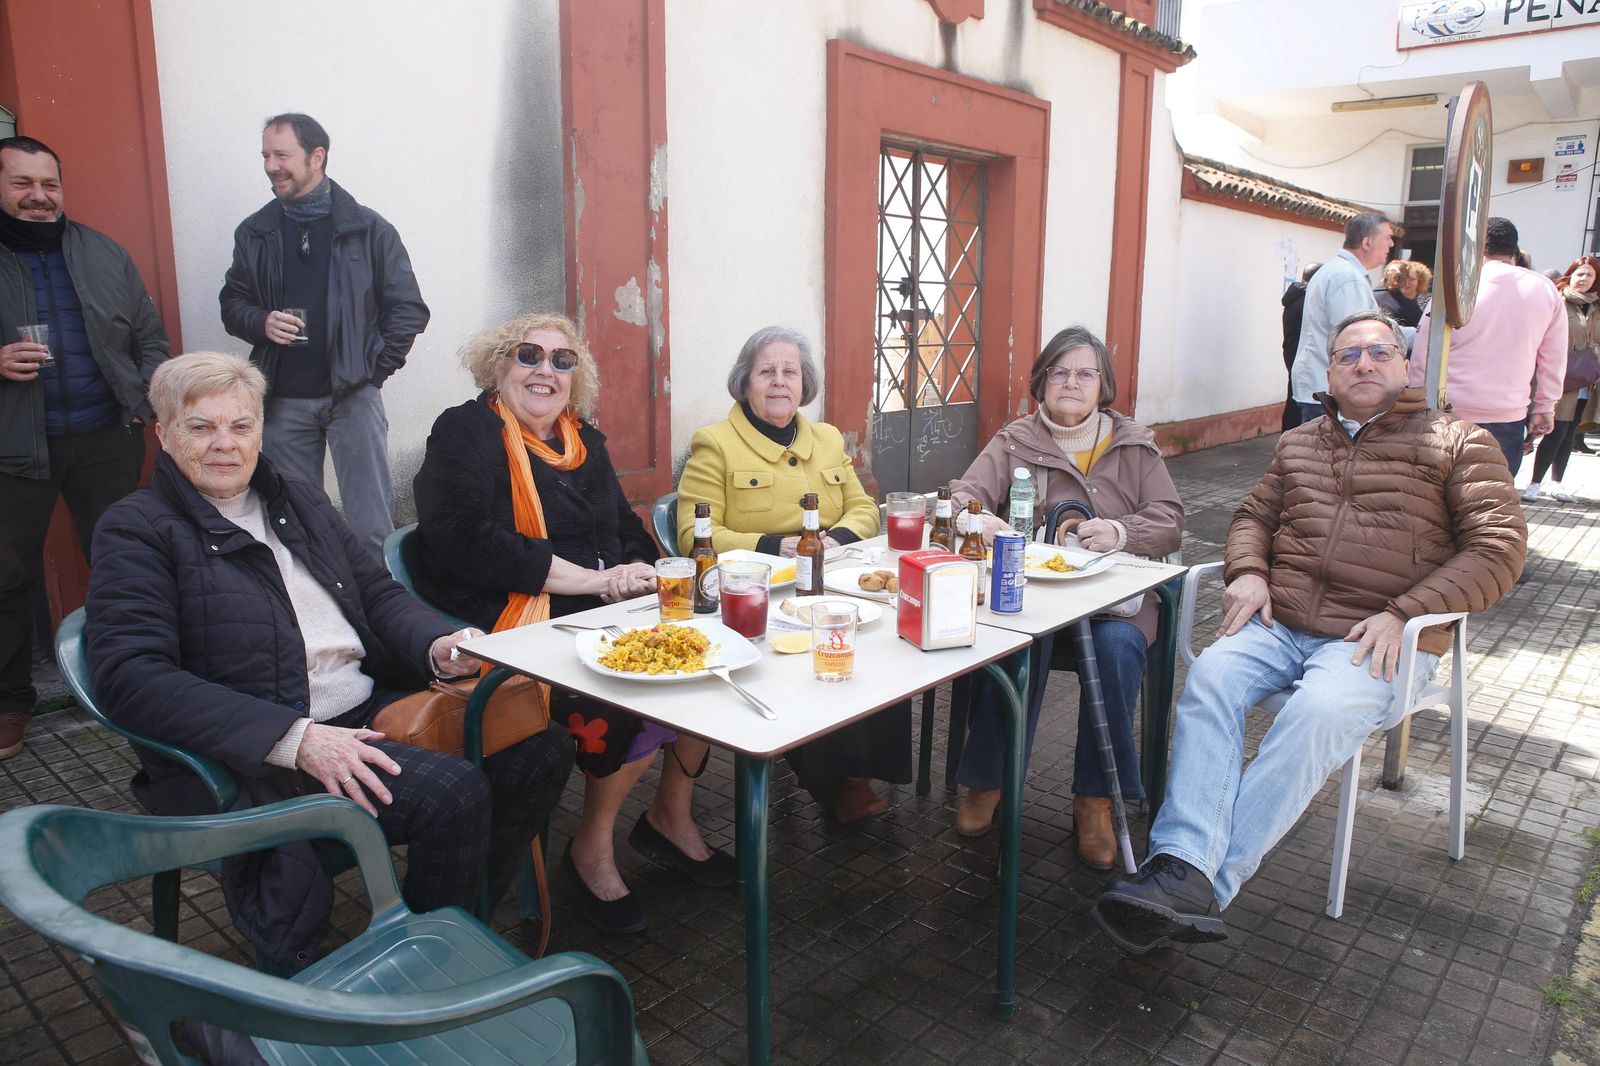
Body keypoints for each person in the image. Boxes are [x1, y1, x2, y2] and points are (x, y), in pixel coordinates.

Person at [85, 351, 575, 971]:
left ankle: (459, 925)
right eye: (200, 427)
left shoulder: (296, 498)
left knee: (544, 750)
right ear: (163, 433)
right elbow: (132, 678)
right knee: (454, 794)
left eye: (240, 426)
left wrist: (438, 644)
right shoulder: (138, 529)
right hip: (259, 745)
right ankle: (425, 967)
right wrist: (297, 740)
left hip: (364, 705)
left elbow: (376, 591)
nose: (224, 445)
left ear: (261, 428)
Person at [1093, 310, 1526, 954]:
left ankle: (1199, 878)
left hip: (1377, 637)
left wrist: (1405, 611)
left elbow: (1498, 549)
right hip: (1281, 620)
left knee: (1319, 711)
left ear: (1406, 365)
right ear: (1329, 371)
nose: (1364, 363)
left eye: (1380, 351)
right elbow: (1252, 516)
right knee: (1211, 676)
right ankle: (1185, 866)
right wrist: (1248, 571)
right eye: (1349, 353)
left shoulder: (1459, 442)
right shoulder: (1301, 442)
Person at [412, 312, 731, 936]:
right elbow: (463, 542)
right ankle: (592, 848)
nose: (545, 371)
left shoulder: (584, 441)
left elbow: (625, 529)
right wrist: (594, 581)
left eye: (562, 361)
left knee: (707, 657)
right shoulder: (464, 432)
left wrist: (637, 569)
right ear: (497, 365)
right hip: (509, 619)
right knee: (631, 693)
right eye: (529, 355)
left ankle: (671, 816)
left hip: (599, 606)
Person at [947, 326, 1183, 864]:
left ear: (1103, 386)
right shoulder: (1014, 440)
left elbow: (1170, 522)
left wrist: (1121, 532)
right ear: (1041, 382)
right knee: (1011, 642)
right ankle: (988, 782)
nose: (1071, 383)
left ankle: (1095, 802)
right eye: (1059, 372)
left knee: (1119, 650)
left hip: (1112, 601)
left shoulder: (1134, 444)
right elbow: (963, 491)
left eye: (1085, 373)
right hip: (1034, 597)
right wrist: (974, 515)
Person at [676, 325, 891, 823]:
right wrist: (775, 547)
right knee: (807, 651)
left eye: (789, 371)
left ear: (804, 383)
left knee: (879, 637)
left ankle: (861, 769)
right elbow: (693, 533)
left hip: (830, 580)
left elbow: (864, 506)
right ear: (745, 382)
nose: (778, 382)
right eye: (765, 371)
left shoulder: (828, 438)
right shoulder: (715, 443)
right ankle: (838, 780)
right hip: (757, 596)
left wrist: (834, 540)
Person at [0, 135, 169, 761]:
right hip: (15, 448)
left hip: (105, 436)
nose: (39, 197)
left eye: (49, 184)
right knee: (8, 576)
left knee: (127, 566)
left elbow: (152, 337)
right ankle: (10, 703)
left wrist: (146, 401)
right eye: (23, 184)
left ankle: (134, 683)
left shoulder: (103, 253)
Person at [220, 113, 429, 558]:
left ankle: (383, 617)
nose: (271, 165)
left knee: (372, 524)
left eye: (282, 155)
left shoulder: (369, 229)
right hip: (283, 400)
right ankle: (318, 614)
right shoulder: (255, 232)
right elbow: (232, 303)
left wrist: (373, 369)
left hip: (353, 397)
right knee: (296, 522)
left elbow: (408, 307)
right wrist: (261, 322)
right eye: (265, 155)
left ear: (318, 156)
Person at [1411, 218, 1567, 476]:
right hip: (1506, 414)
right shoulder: (1545, 289)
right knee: (1492, 503)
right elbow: (1554, 358)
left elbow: (1424, 348)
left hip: (1447, 410)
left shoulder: (1456, 284)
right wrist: (1545, 407)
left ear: (1477, 249)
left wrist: (1417, 400)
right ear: (1514, 252)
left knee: (1436, 499)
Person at [1290, 212, 1394, 422]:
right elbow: (1356, 338)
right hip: (1331, 389)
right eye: (1388, 237)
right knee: (1330, 453)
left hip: (1327, 385)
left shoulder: (1341, 272)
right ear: (1367, 242)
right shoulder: (1346, 277)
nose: (1391, 243)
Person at [1526, 256, 1599, 502]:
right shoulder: (1559, 302)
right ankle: (1535, 483)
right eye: (1580, 274)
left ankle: (1557, 482)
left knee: (1571, 431)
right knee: (1555, 429)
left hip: (1587, 379)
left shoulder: (1596, 307)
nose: (1584, 279)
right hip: (1561, 375)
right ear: (1570, 276)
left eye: (1590, 275)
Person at [1280, 262, 1319, 432]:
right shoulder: (1306, 300)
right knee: (1298, 402)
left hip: (1291, 351)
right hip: (1300, 354)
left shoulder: (1294, 296)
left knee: (1293, 400)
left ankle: (1287, 439)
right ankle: (1290, 442)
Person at [1373, 259, 1430, 329]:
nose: (1407, 282)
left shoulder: (1427, 302)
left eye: (1411, 279)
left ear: (1420, 281)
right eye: (1404, 278)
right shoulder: (1383, 297)